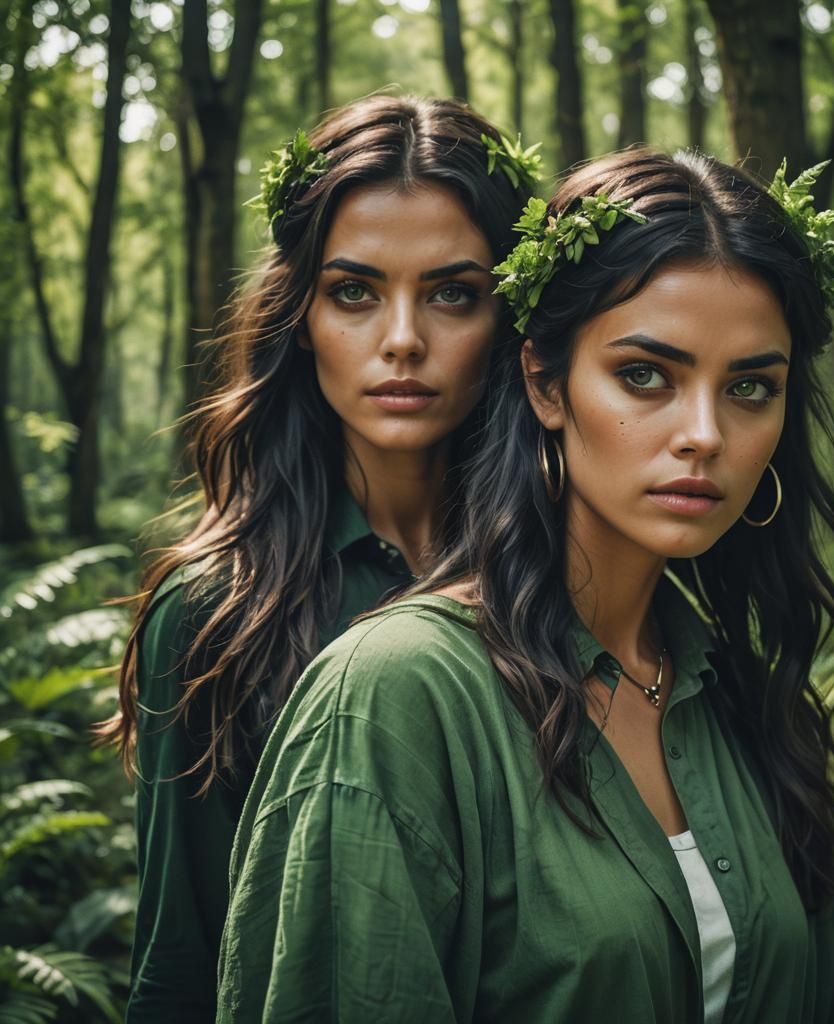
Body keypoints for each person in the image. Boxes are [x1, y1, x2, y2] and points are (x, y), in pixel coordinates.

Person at [216, 148, 834, 1023]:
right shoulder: (395, 698)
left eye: (752, 386)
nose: (705, 434)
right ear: (544, 382)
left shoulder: (742, 697)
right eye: (646, 376)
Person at [98, 94, 537, 1021]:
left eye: (454, 293)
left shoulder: (566, 575)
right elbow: (183, 967)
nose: (404, 339)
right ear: (300, 316)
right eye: (355, 292)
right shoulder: (218, 607)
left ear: (511, 323)